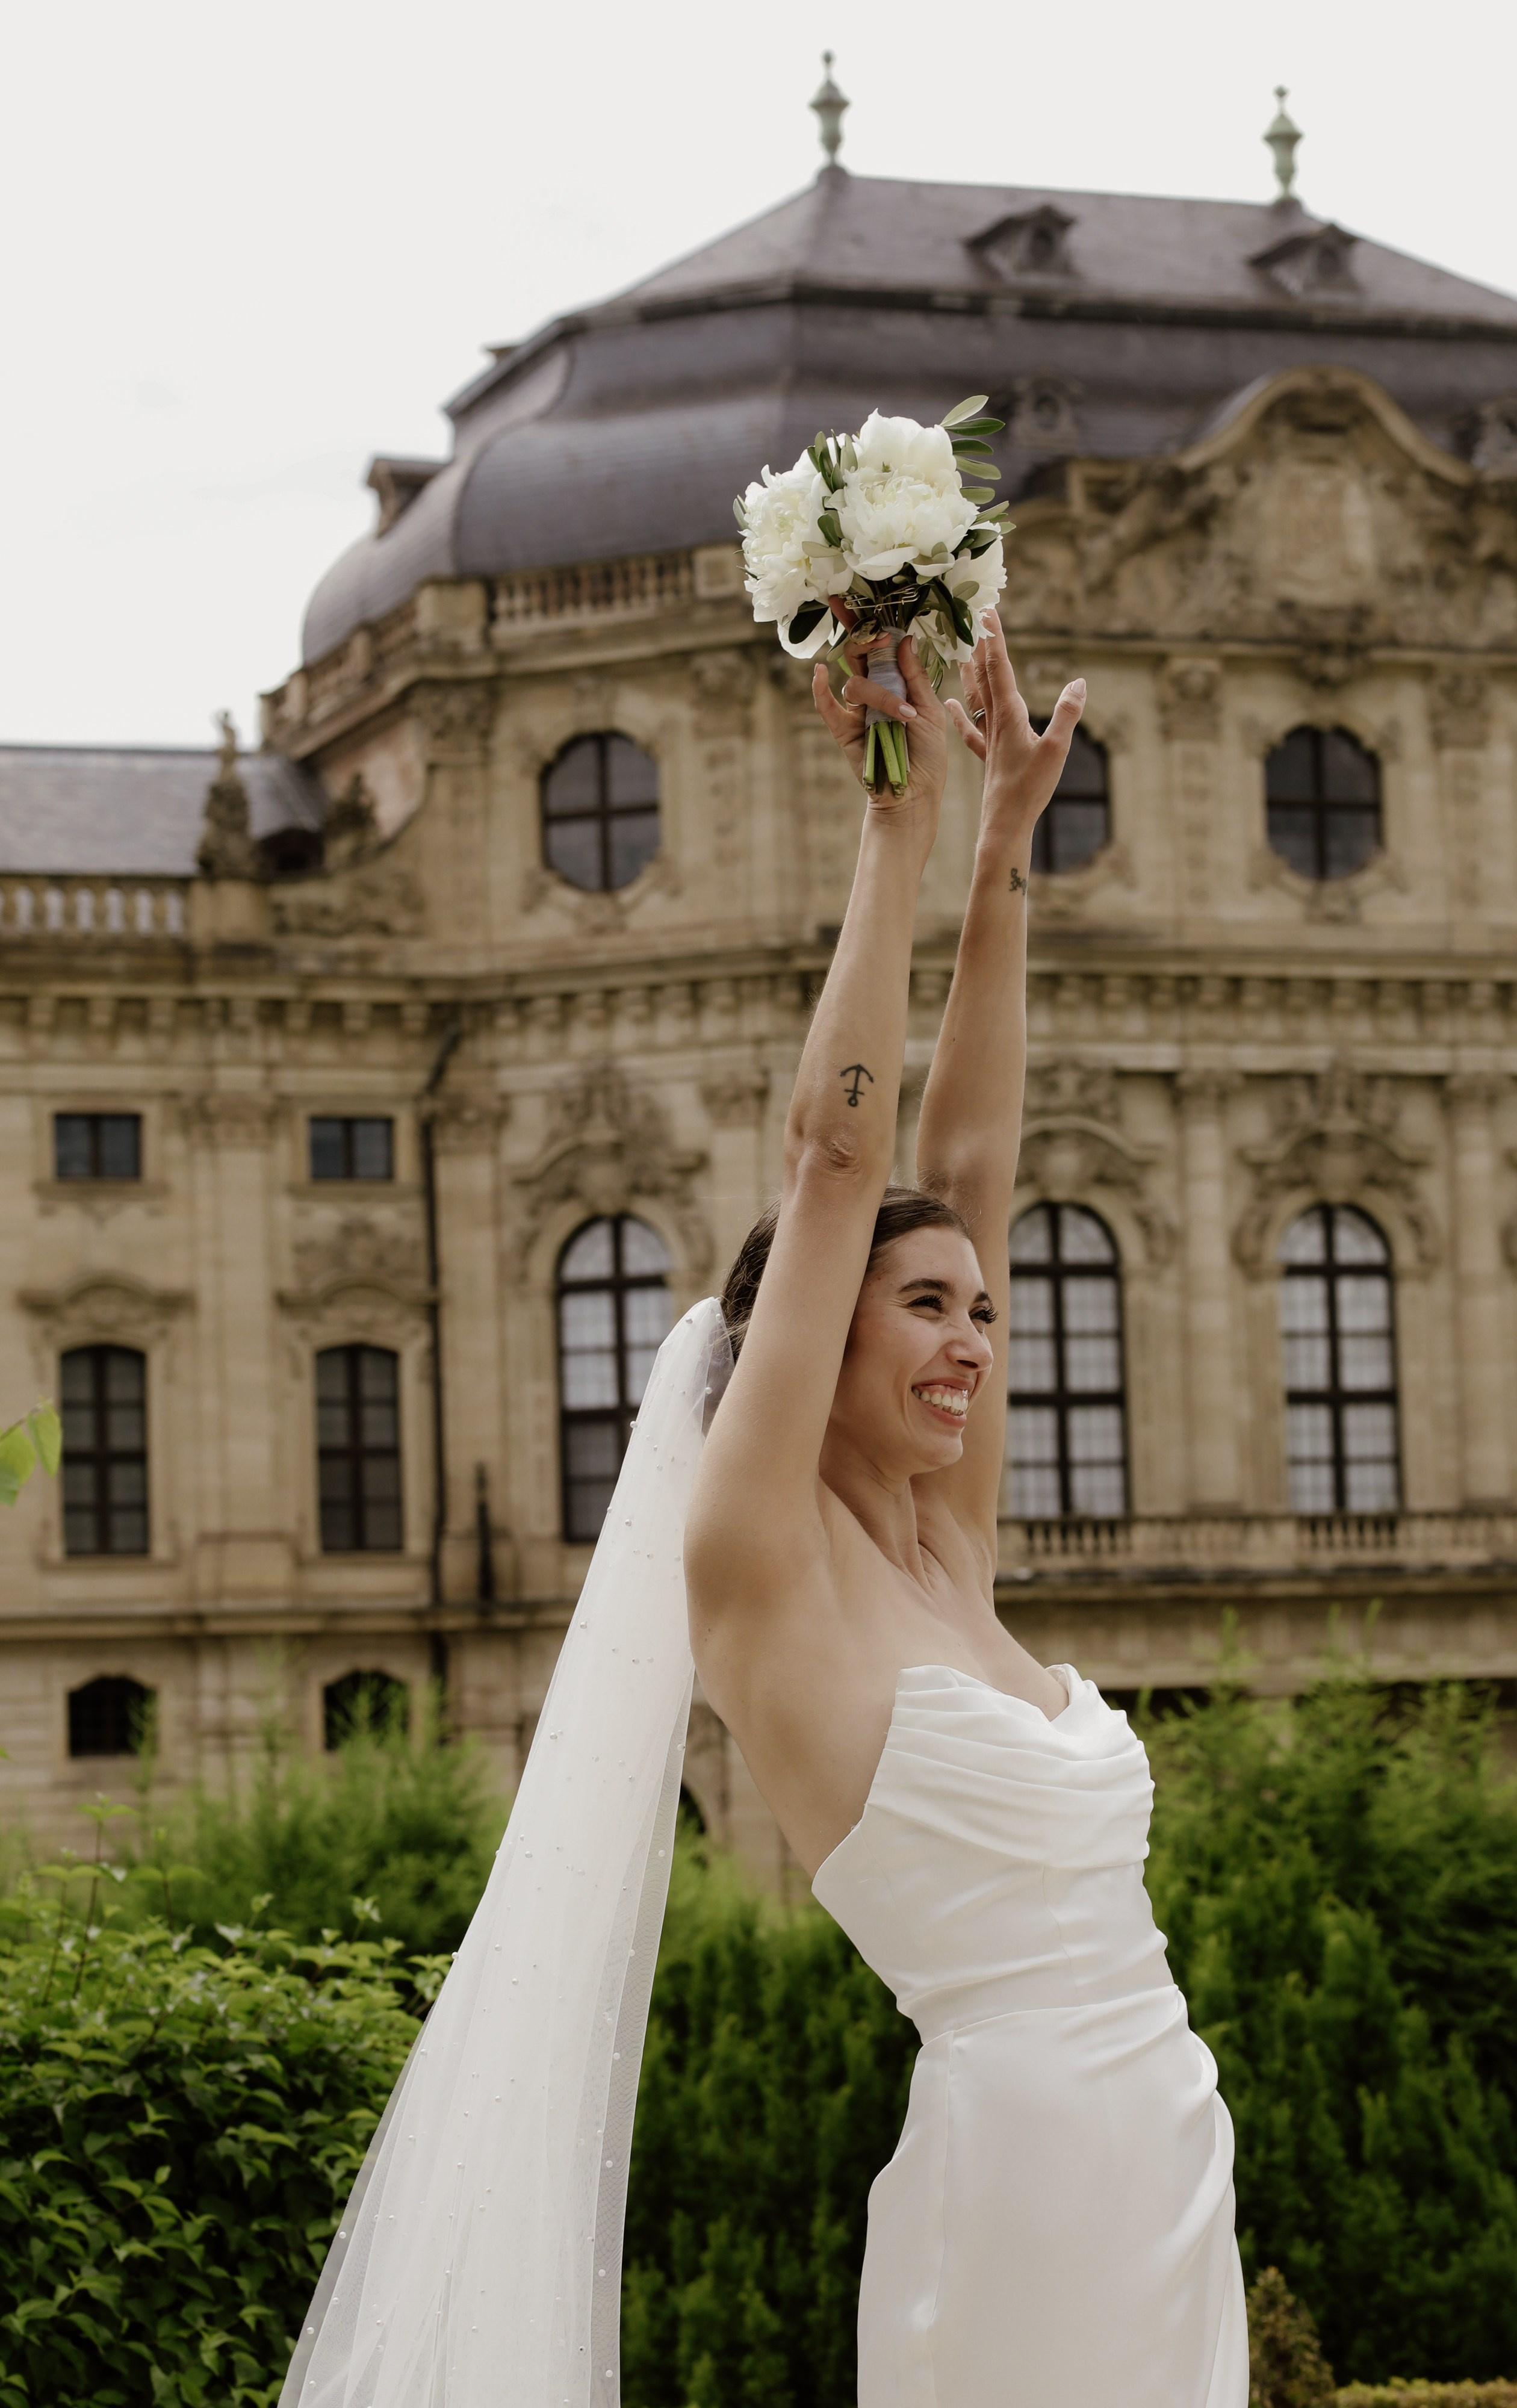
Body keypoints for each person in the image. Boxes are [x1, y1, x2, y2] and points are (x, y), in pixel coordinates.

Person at [685, 613, 1247, 2407]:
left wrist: (1009, 850)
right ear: (813, 1325)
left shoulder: (951, 1548)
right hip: (1018, 2177)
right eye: (925, 1307)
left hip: (1166, 2144)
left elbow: (974, 1162)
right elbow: (846, 1160)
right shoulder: (763, 1564)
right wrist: (897, 825)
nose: (972, 1341)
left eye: (984, 1312)